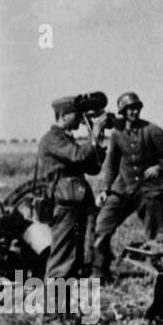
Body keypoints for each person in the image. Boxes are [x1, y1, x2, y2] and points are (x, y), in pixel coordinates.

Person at [91, 92, 163, 282]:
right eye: (130, 109)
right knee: (102, 226)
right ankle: (100, 271)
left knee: (157, 236)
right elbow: (112, 165)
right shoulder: (117, 134)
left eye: (137, 108)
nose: (134, 112)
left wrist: (159, 167)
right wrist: (105, 189)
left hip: (149, 190)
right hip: (124, 189)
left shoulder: (153, 130)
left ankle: (161, 276)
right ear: (123, 111)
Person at [38, 96, 107, 283]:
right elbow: (77, 156)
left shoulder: (66, 139)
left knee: (73, 260)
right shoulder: (52, 139)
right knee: (61, 261)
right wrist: (94, 135)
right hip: (64, 205)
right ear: (62, 115)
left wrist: (97, 139)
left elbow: (92, 167)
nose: (79, 118)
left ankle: (65, 310)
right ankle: (53, 312)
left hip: (75, 204)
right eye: (76, 114)